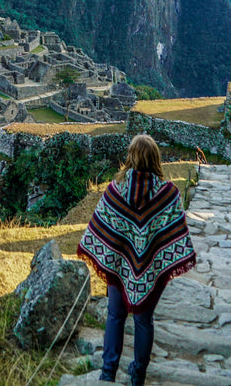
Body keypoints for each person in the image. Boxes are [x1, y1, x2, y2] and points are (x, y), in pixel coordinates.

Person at [77, 134, 195, 386]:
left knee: (115, 316)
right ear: (155, 159)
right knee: (143, 320)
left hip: (119, 267)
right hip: (151, 271)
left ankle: (108, 371)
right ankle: (138, 375)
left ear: (130, 157)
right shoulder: (169, 195)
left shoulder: (115, 191)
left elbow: (98, 228)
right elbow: (176, 235)